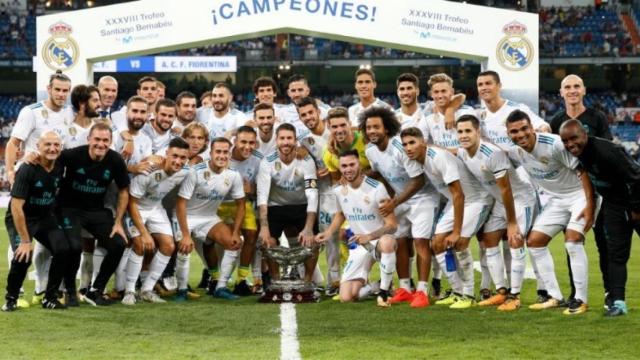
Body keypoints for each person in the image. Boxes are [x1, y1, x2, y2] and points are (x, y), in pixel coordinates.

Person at [506, 110, 599, 315]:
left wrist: (590, 206)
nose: (520, 134)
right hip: (557, 201)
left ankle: (580, 300)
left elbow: (583, 172)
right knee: (534, 242)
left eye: (524, 129)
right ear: (508, 134)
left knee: (573, 240)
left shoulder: (553, 144)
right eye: (514, 131)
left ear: (531, 127)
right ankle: (554, 296)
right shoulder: (516, 152)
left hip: (579, 195)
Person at [401, 127, 493, 309]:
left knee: (459, 243)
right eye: (405, 144)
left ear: (423, 142)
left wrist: (457, 231)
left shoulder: (438, 157)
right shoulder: (416, 160)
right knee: (437, 243)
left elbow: (459, 194)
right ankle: (457, 290)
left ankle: (468, 294)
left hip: (476, 199)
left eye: (413, 142)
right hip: (456, 201)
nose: (408, 147)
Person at [455, 115, 537, 311]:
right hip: (501, 201)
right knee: (489, 240)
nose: (464, 135)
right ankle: (500, 292)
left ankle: (514, 296)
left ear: (478, 132)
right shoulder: (463, 153)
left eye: (468, 131)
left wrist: (511, 223)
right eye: (460, 131)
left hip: (519, 198)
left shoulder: (492, 154)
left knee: (515, 240)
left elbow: (506, 189)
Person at [361, 107, 440, 308]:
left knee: (421, 243)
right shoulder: (370, 150)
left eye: (376, 127)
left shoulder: (399, 147)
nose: (372, 131)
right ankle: (405, 288)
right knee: (401, 242)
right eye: (368, 127)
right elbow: (381, 174)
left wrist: (393, 202)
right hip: (400, 199)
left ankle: (422, 291)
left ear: (386, 128)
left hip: (423, 198)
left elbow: (418, 181)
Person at [5, 71, 73, 304]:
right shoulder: (31, 111)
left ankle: (46, 292)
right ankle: (16, 294)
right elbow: (15, 143)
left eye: (66, 90)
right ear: (49, 88)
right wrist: (12, 171)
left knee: (56, 247)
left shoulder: (68, 114)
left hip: (48, 189)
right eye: (58, 90)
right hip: (28, 177)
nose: (62, 94)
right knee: (21, 248)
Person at [560, 119, 639, 316]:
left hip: (636, 203)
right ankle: (618, 303)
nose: (570, 144)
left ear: (584, 134)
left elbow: (637, 177)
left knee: (616, 253)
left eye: (574, 138)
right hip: (613, 204)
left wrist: (636, 209)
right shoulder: (579, 154)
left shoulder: (608, 151)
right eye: (565, 141)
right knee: (616, 254)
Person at [550, 74, 612, 306]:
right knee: (572, 241)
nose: (573, 90)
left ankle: (610, 293)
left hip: (600, 187)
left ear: (584, 90)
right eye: (568, 87)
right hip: (574, 191)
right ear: (561, 92)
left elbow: (608, 148)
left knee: (604, 243)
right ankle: (576, 294)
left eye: (577, 86)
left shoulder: (597, 117)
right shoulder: (556, 121)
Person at [56, 122, 130, 306]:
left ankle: (95, 290)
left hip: (96, 211)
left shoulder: (115, 160)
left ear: (111, 142)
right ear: (89, 139)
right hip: (69, 208)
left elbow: (123, 191)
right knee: (74, 246)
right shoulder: (72, 155)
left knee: (118, 244)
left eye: (106, 140)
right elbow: (49, 161)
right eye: (97, 139)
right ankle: (70, 292)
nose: (101, 144)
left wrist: (118, 222)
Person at [315, 150, 397, 307]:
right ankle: (377, 285)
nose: (348, 169)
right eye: (344, 166)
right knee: (347, 297)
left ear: (359, 164)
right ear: (339, 168)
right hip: (360, 245)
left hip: (379, 241)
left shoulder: (376, 188)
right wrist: (328, 233)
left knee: (387, 242)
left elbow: (392, 224)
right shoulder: (338, 190)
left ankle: (384, 294)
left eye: (352, 164)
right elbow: (341, 214)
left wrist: (370, 236)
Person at [2, 132, 70, 311]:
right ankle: (11, 298)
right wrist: (25, 241)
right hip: (22, 217)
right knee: (23, 255)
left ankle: (50, 297)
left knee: (63, 249)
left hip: (45, 217)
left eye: (56, 145)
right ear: (38, 147)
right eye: (47, 144)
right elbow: (16, 207)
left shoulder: (60, 164)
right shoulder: (27, 168)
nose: (52, 148)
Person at [174, 137, 245, 300]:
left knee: (234, 244)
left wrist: (236, 232)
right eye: (218, 152)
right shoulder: (195, 172)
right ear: (211, 153)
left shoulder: (233, 175)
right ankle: (182, 290)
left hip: (208, 217)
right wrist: (186, 234)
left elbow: (241, 205)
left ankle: (220, 287)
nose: (222, 156)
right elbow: (180, 204)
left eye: (225, 152)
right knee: (184, 249)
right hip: (186, 216)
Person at [122, 138, 190, 305]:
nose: (178, 161)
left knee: (169, 246)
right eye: (174, 156)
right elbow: (132, 202)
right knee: (139, 244)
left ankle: (147, 290)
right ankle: (129, 291)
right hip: (135, 208)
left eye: (183, 158)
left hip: (155, 208)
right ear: (166, 154)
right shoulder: (148, 170)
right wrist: (145, 233)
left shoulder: (185, 172)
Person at [256, 123, 318, 284]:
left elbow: (312, 194)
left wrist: (309, 228)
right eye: (282, 138)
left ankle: (307, 282)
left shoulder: (306, 160)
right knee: (268, 241)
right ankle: (275, 282)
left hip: (301, 206)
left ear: (295, 140)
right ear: (276, 140)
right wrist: (264, 228)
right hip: (275, 207)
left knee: (313, 241)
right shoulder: (267, 162)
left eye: (289, 138)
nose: (286, 142)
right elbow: (262, 196)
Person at [297, 97, 340, 296]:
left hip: (346, 191)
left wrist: (333, 171)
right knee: (330, 240)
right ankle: (333, 283)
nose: (308, 117)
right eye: (303, 115)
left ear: (318, 112)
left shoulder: (336, 132)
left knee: (353, 238)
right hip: (325, 195)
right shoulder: (305, 141)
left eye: (310, 113)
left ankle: (363, 279)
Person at [216, 126, 262, 296]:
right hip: (218, 203)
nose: (247, 147)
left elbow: (261, 188)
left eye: (251, 143)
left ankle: (242, 279)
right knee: (212, 241)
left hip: (243, 203)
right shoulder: (222, 154)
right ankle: (214, 278)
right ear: (235, 142)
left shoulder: (258, 159)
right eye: (243, 142)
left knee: (251, 235)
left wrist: (252, 189)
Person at [424, 73, 474, 150]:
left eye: (443, 91)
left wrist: (450, 110)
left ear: (452, 92)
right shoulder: (427, 115)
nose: (440, 96)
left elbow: (474, 145)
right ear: (431, 94)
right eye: (436, 92)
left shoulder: (467, 112)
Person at [323, 107, 370, 183]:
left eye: (343, 125)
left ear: (350, 124)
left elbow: (382, 171)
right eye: (334, 127)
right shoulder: (328, 152)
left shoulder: (366, 139)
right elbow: (336, 179)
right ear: (328, 127)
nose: (339, 130)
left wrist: (355, 176)